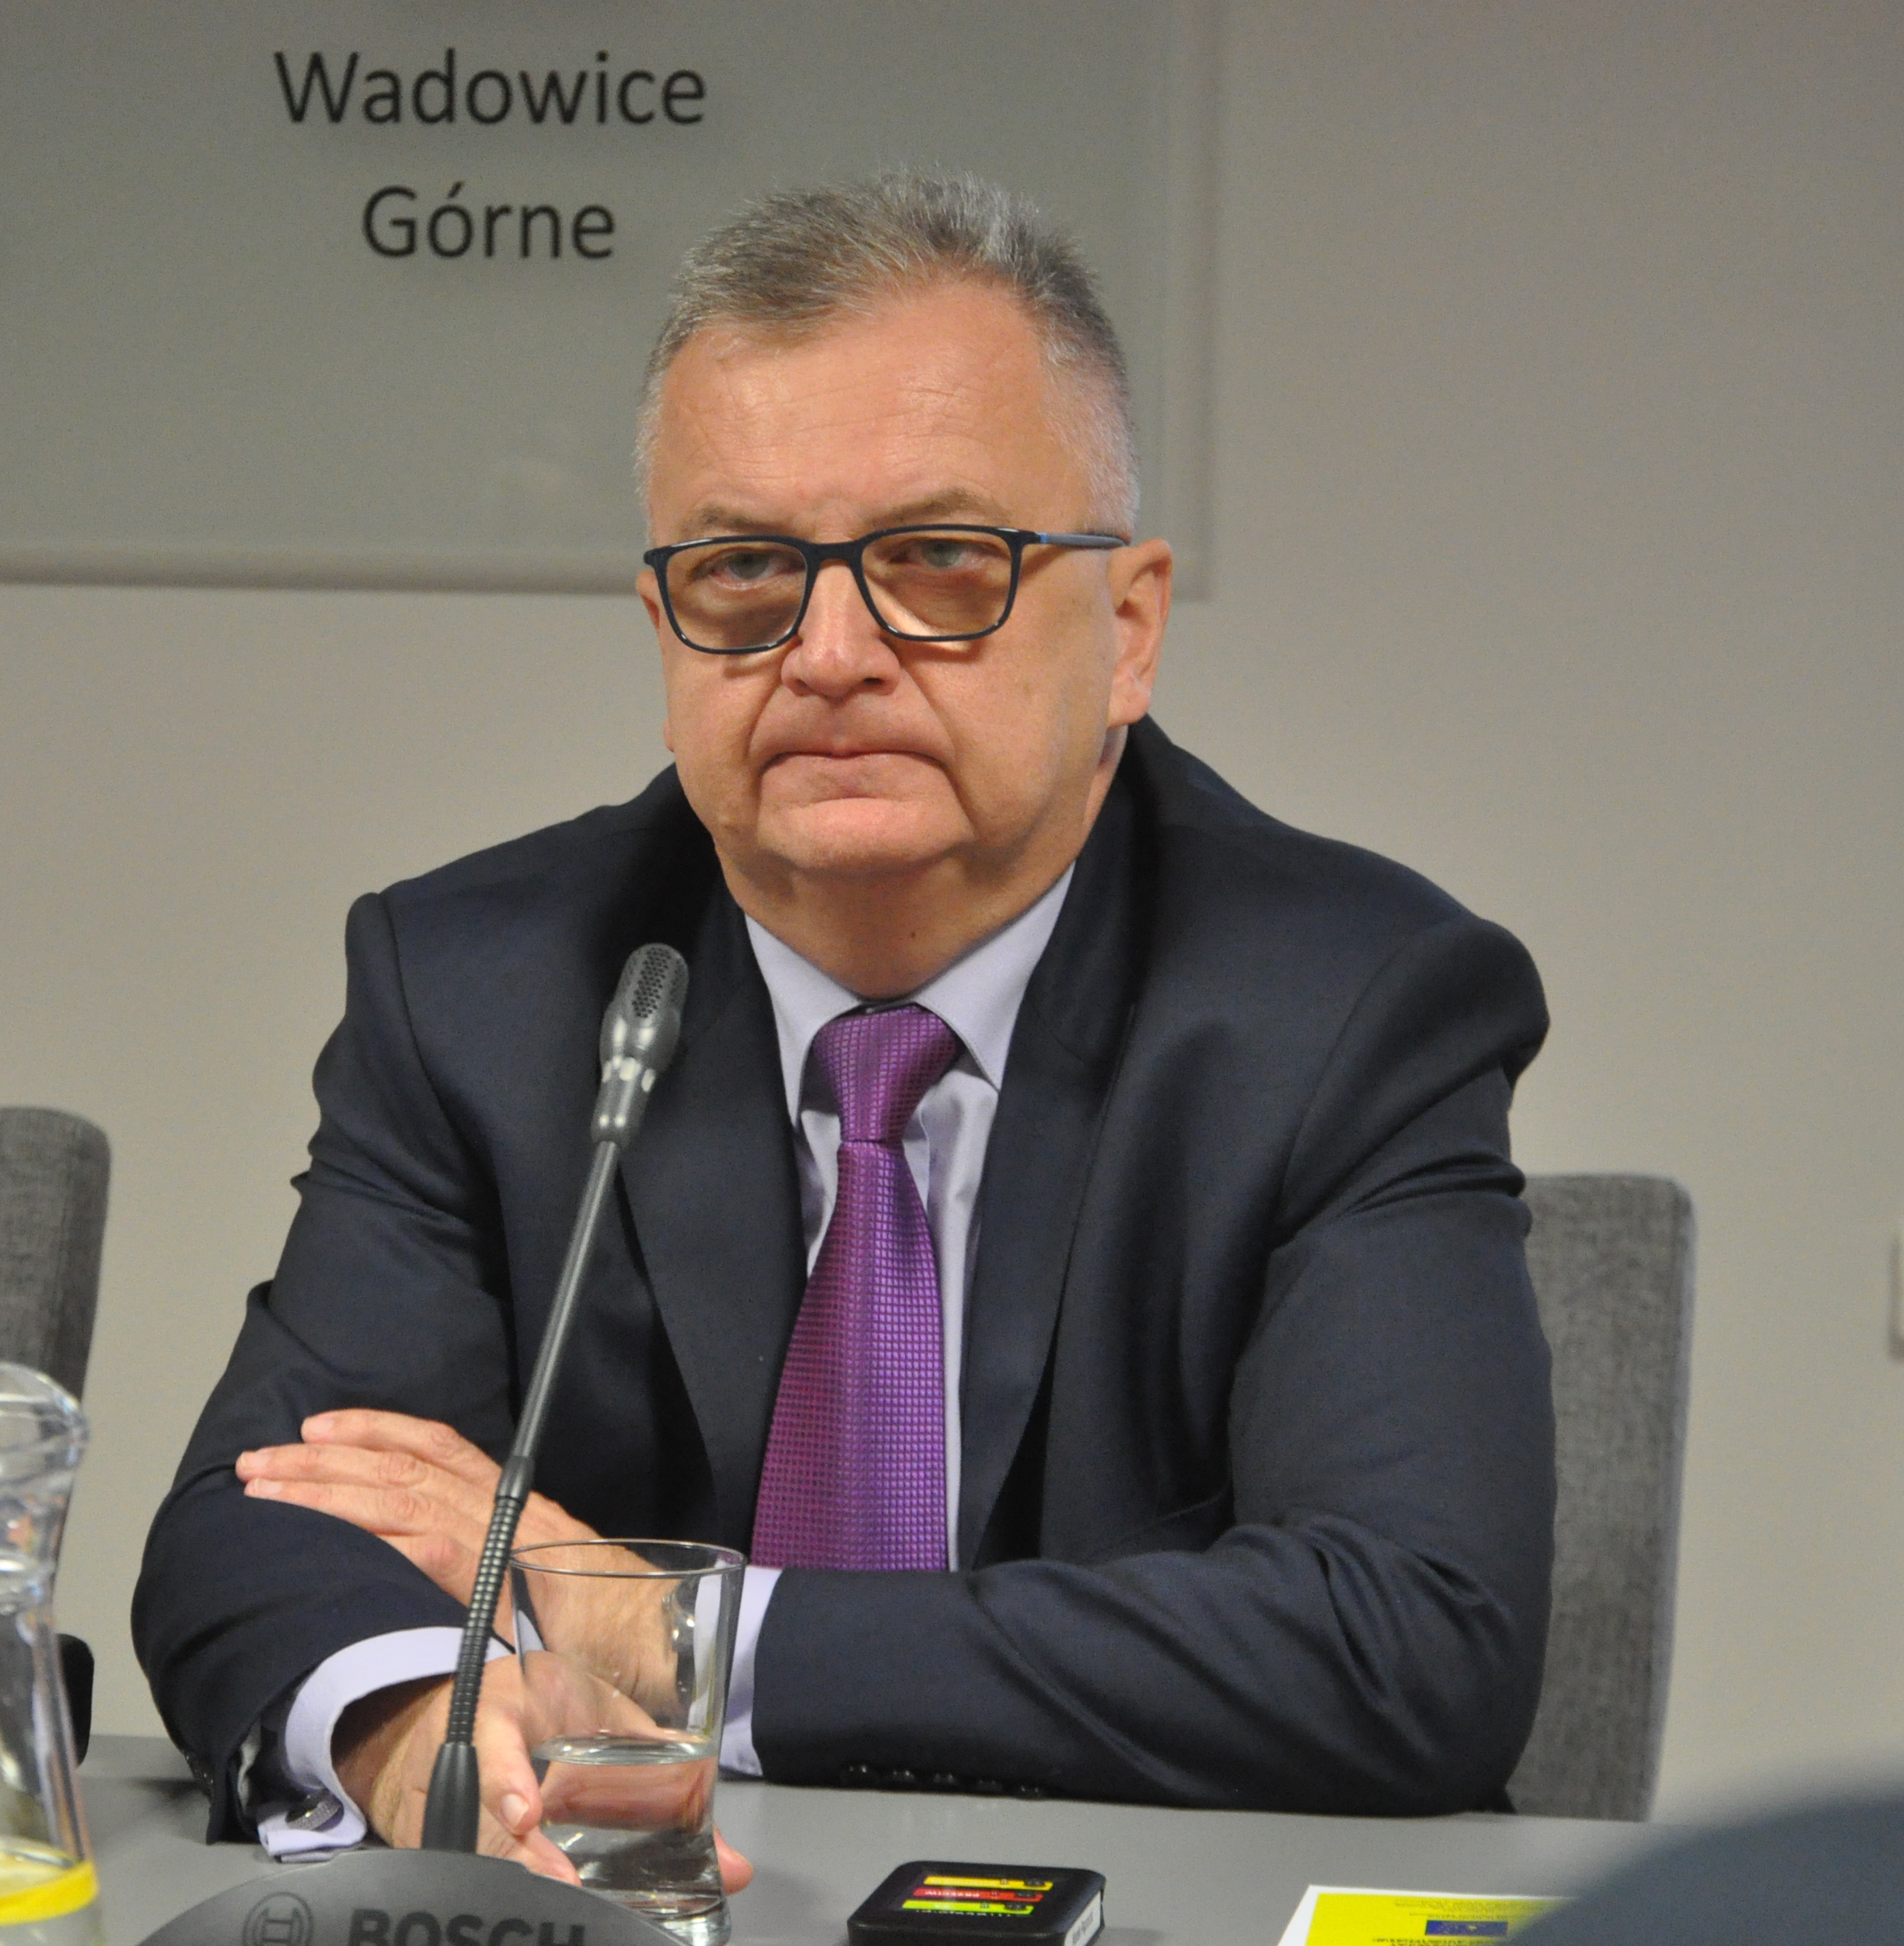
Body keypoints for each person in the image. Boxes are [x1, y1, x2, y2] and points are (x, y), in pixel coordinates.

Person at [133, 173, 1556, 1880]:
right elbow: (267, 1514)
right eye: (745, 571)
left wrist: (681, 1635)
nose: (826, 652)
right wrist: (423, 1728)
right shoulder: (485, 989)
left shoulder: (1346, 1003)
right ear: (663, 625)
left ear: (1125, 630)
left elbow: (1408, 1638)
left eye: (938, 561)